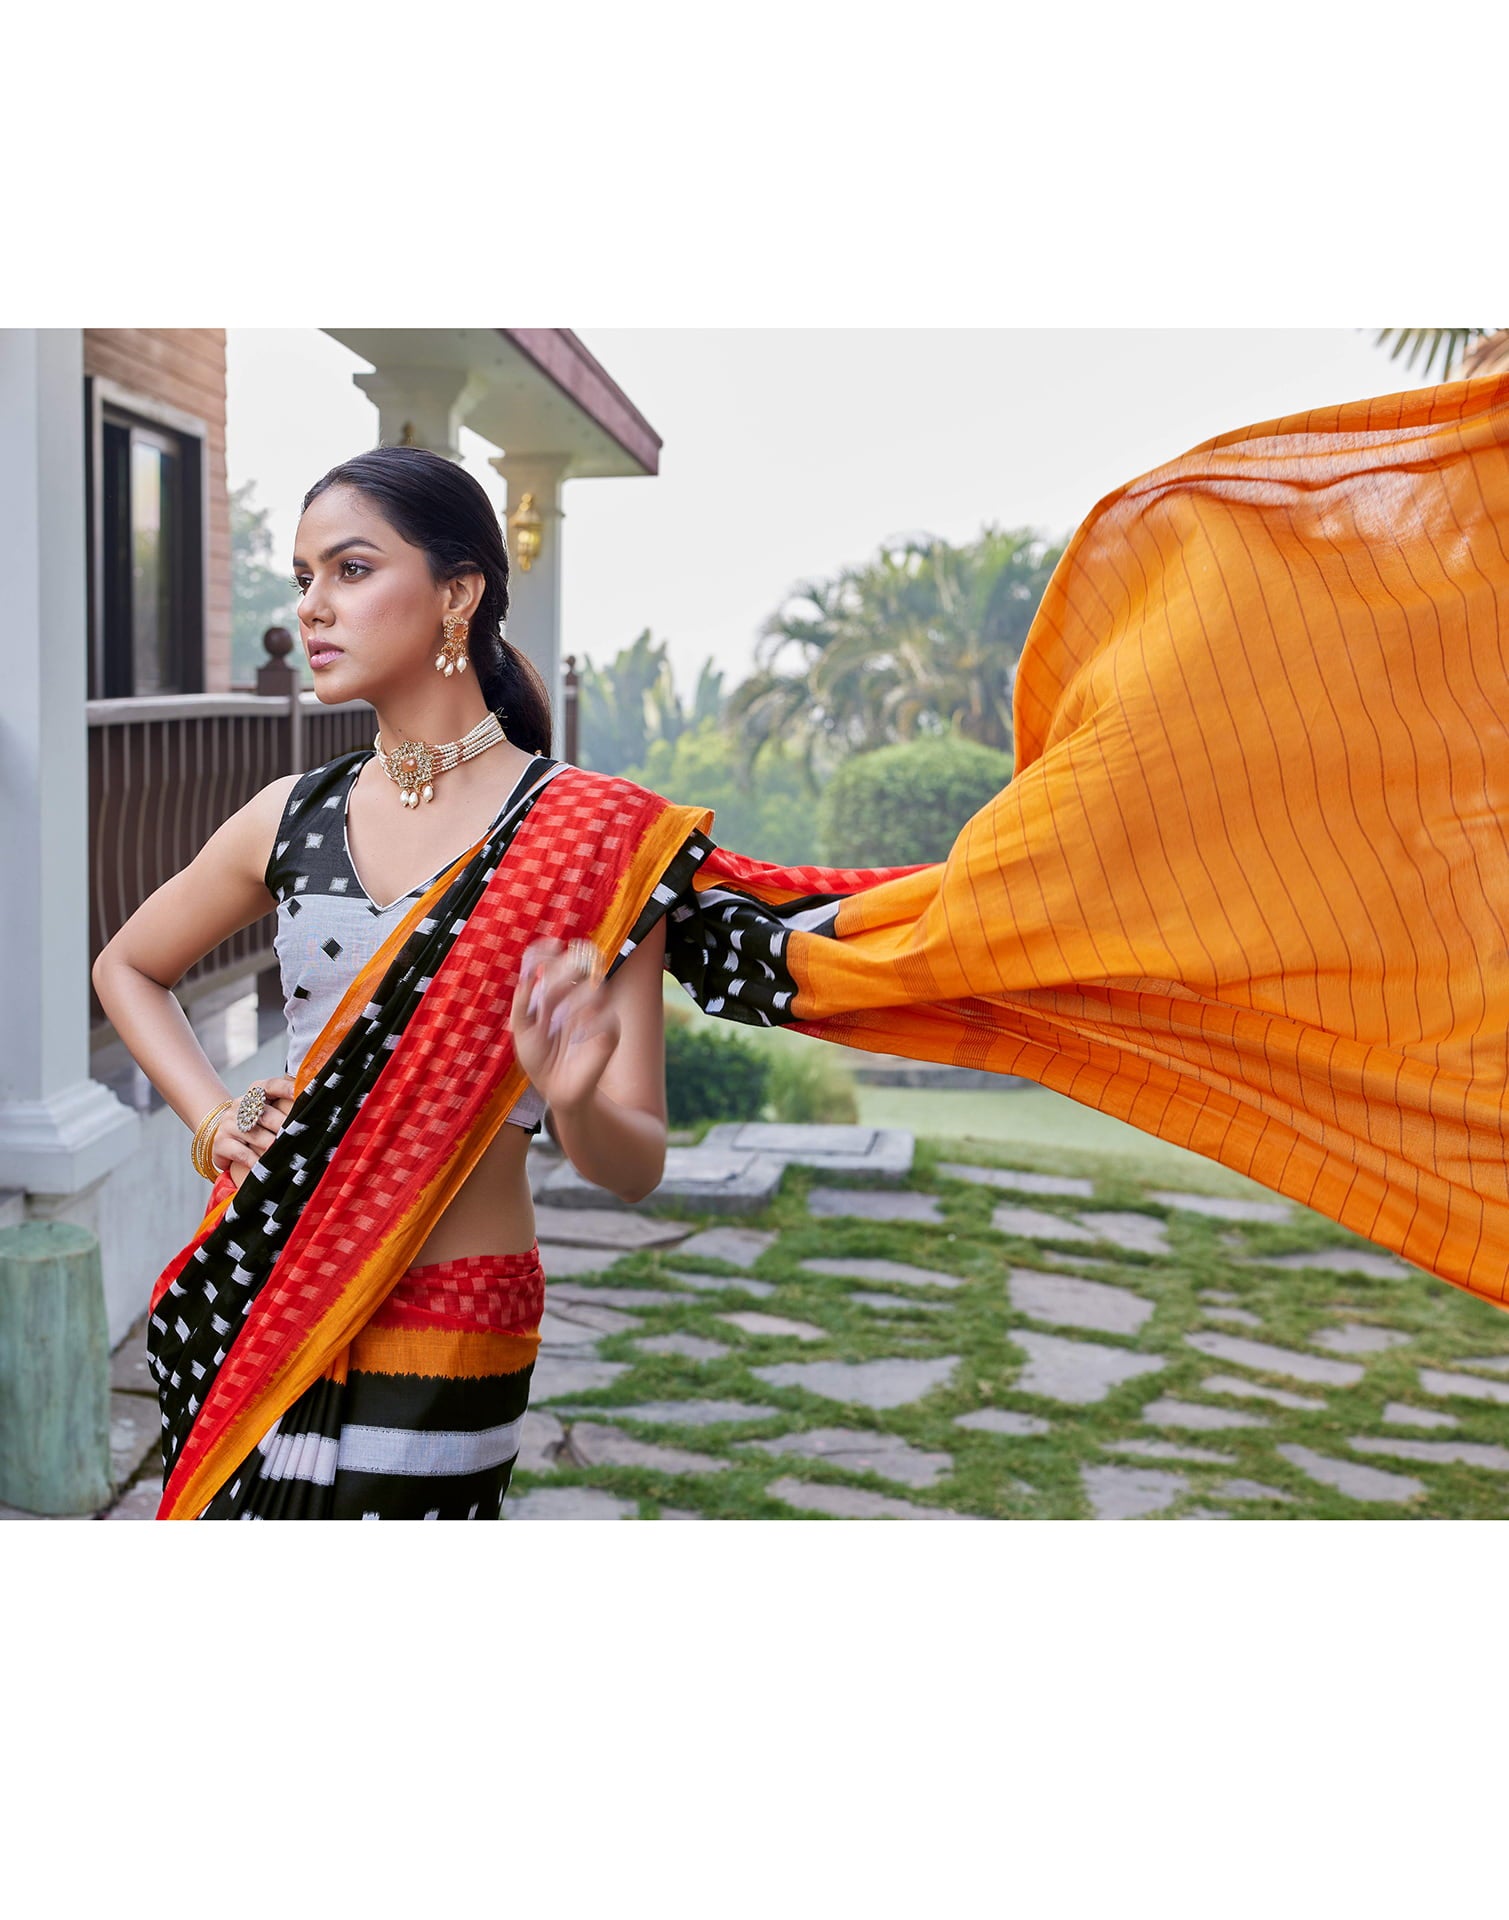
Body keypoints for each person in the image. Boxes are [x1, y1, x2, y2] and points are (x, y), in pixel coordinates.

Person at [101, 369, 1509, 1519]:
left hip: (453, 1311)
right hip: (264, 1273)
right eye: (303, 576)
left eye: (352, 570)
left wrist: (577, 1081)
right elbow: (129, 967)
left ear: (459, 594)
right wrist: (215, 1118)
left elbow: (632, 1163)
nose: (314, 606)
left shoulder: (594, 847)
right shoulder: (283, 815)